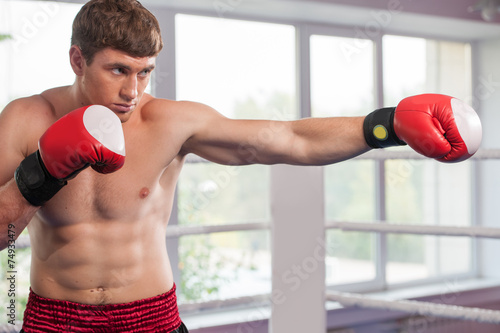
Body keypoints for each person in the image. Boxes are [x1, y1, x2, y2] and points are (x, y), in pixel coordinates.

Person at [0, 0, 482, 332]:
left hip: (152, 316)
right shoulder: (26, 119)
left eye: (146, 71)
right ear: (77, 59)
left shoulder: (171, 122)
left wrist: (387, 125)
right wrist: (40, 174)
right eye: (119, 70)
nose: (133, 91)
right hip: (57, 318)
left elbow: (286, 138)